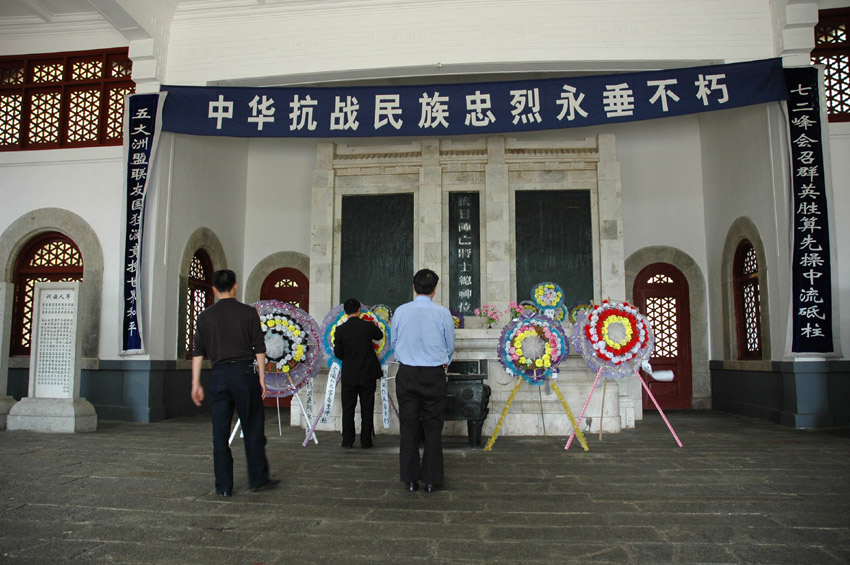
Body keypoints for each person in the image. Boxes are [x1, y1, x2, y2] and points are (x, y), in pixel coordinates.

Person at [191, 269, 279, 497]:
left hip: (218, 375)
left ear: (213, 289)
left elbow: (198, 352)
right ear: (235, 286)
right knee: (252, 426)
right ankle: (258, 479)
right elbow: (259, 346)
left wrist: (196, 383)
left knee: (219, 432)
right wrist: (261, 377)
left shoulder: (205, 316)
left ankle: (223, 486)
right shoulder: (248, 313)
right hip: (244, 374)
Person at [390, 269, 455, 493]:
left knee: (408, 426)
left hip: (406, 373)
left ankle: (409, 479)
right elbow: (449, 346)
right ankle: (431, 479)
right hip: (433, 375)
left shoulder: (400, 311)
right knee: (433, 427)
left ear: (414, 287)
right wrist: (442, 360)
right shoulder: (443, 313)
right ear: (435, 290)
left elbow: (394, 342)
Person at [333, 298, 384, 449]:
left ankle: (347, 441)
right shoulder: (368, 326)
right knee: (367, 408)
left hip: (349, 374)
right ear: (359, 310)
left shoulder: (340, 329)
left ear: (345, 312)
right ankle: (366, 441)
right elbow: (379, 336)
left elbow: (338, 353)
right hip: (367, 373)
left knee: (348, 408)